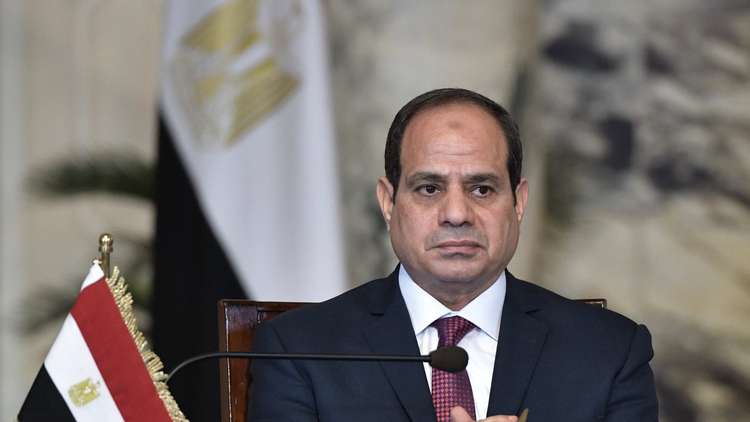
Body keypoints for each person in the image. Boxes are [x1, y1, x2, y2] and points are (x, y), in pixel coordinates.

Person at [248, 88, 658, 421]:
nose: (457, 214)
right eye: (429, 188)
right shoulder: (299, 350)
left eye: (482, 189)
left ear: (518, 202)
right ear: (388, 202)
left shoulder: (609, 351)